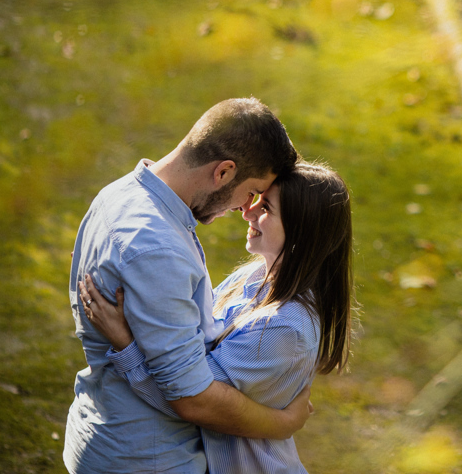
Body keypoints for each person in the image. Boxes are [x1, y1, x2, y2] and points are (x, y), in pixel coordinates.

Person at [65, 97, 313, 474]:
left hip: (105, 427)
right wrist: (284, 423)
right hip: (148, 457)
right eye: (251, 192)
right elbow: (192, 398)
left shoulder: (120, 194)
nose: (244, 209)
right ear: (224, 172)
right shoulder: (158, 247)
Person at [80, 162, 354, 474]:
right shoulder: (255, 275)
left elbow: (188, 397)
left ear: (301, 232)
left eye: (265, 207)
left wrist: (125, 343)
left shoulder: (283, 327)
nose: (247, 211)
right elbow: (188, 340)